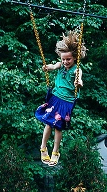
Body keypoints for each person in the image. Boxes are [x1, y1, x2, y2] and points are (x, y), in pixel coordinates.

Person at [36, 30, 86, 166]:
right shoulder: (60, 65)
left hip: (66, 102)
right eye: (63, 59)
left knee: (58, 127)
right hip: (55, 98)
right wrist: (48, 68)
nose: (65, 62)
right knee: (48, 123)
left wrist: (79, 83)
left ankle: (55, 152)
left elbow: (79, 78)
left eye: (68, 59)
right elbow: (53, 66)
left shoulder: (76, 69)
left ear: (74, 58)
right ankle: (43, 147)